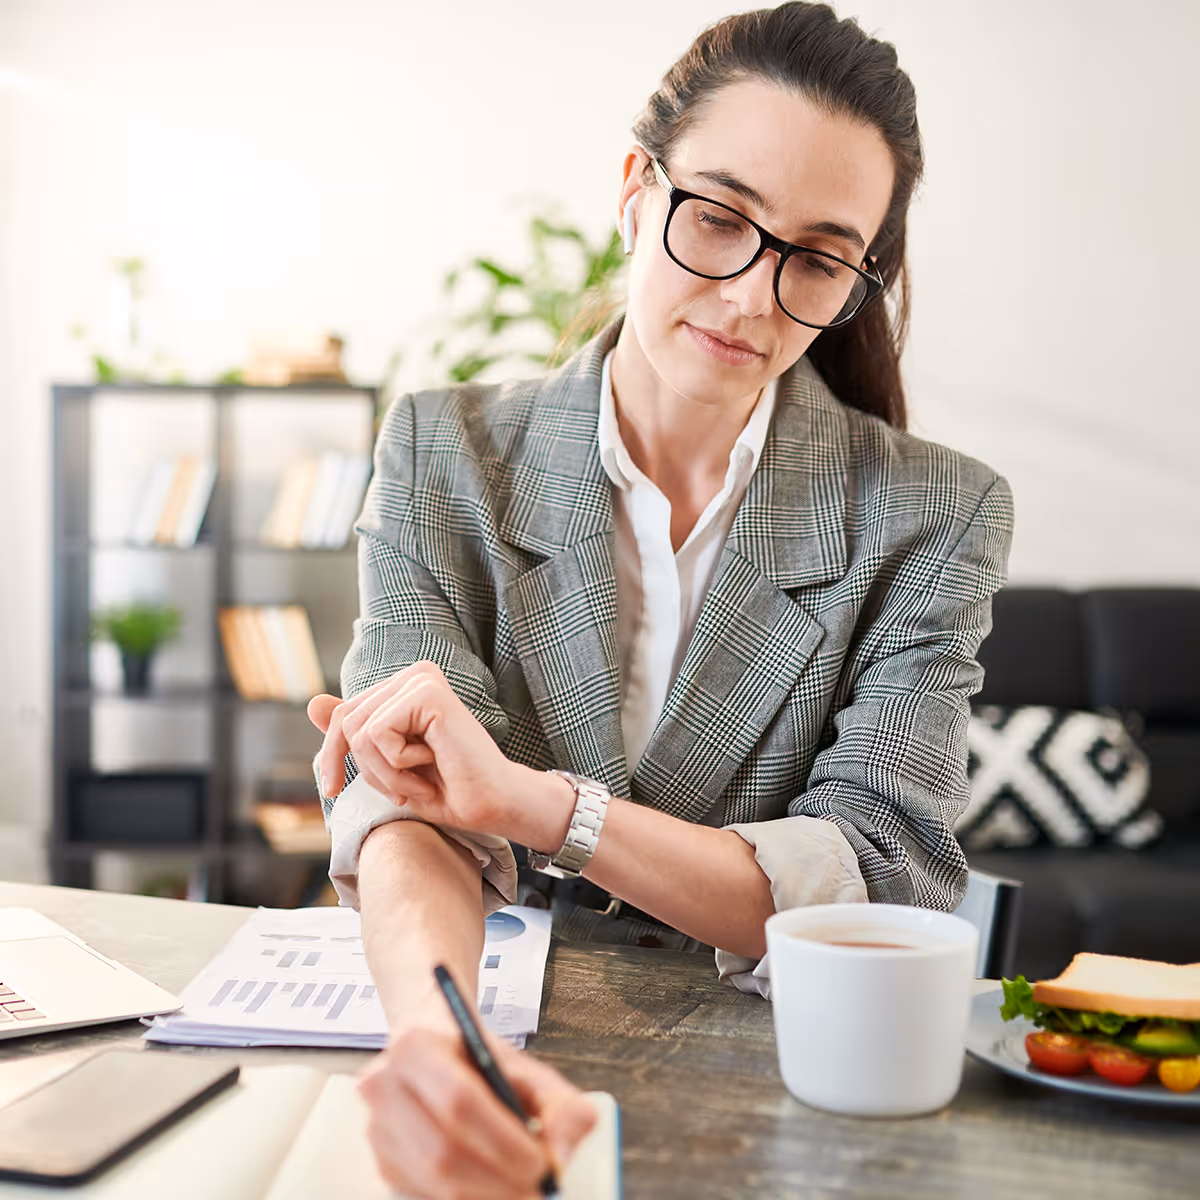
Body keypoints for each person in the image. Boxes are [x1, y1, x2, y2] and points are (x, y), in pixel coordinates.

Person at [308, 3, 1013, 1195]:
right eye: (720, 218)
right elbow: (408, 804)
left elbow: (876, 871)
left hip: (774, 1093)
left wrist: (544, 808)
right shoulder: (442, 450)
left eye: (817, 259)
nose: (749, 299)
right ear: (637, 191)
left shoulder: (933, 513)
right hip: (494, 1026)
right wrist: (437, 1041)